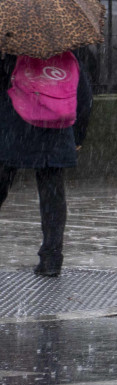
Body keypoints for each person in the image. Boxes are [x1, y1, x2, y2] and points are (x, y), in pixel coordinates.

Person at [0, 52, 93, 277]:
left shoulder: (9, 58)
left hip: (14, 131)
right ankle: (51, 258)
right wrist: (77, 137)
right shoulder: (69, 57)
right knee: (53, 196)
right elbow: (84, 98)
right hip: (56, 133)